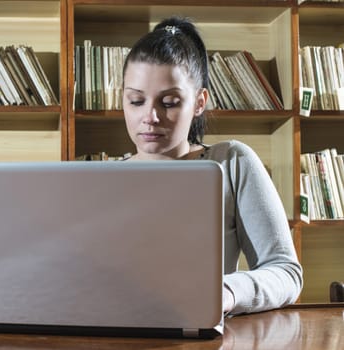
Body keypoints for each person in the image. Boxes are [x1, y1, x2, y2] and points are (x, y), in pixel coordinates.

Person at [121, 16, 303, 315]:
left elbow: (285, 272)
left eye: (168, 102)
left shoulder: (231, 162)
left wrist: (227, 293)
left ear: (199, 102)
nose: (150, 116)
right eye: (136, 101)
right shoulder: (101, 179)